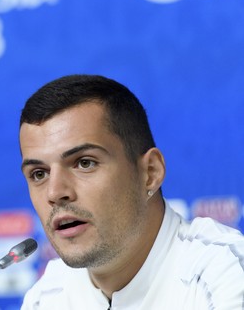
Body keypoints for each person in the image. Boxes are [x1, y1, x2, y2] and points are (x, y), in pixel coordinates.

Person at [18, 74, 244, 309]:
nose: (54, 193)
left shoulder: (226, 274)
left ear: (150, 172)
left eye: (85, 163)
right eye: (39, 174)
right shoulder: (44, 298)